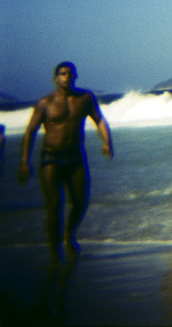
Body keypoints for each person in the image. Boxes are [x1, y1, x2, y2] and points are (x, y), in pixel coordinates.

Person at [18, 61, 114, 263]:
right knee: (54, 206)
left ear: (75, 76)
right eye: (62, 73)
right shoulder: (45, 103)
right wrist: (25, 161)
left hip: (75, 157)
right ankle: (55, 252)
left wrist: (107, 142)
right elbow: (30, 132)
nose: (67, 76)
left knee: (80, 202)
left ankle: (69, 234)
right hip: (51, 158)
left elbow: (99, 120)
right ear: (55, 78)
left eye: (70, 73)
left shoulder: (85, 98)